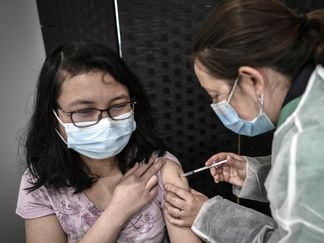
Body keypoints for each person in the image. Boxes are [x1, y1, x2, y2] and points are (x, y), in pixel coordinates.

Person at [162, 0, 324, 242]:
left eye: (217, 96)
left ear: (252, 80)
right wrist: (260, 174)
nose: (217, 108)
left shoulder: (318, 140)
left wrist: (211, 216)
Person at [16, 41, 202, 243]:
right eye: (84, 111)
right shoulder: (40, 183)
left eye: (119, 105)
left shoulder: (158, 167)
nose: (106, 123)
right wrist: (117, 211)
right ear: (53, 116)